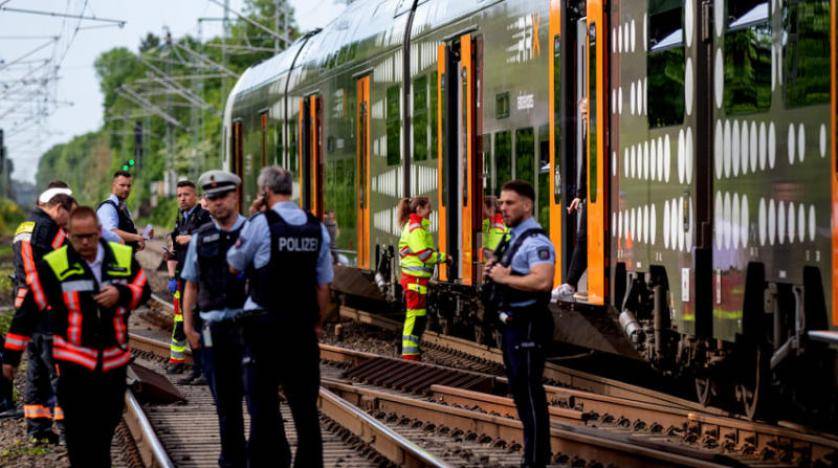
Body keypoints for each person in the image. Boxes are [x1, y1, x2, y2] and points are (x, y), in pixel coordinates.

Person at [227, 165, 332, 467]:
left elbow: (234, 264)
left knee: (263, 406)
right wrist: (317, 322)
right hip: (301, 329)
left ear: (266, 191)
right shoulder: (316, 227)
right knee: (305, 409)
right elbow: (324, 286)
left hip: (264, 330)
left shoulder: (260, 223)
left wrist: (253, 215)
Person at [38, 206, 150, 467]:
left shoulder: (120, 256)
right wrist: (13, 355)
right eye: (79, 237)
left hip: (111, 366)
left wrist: (121, 294)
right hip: (74, 367)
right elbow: (33, 308)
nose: (86, 242)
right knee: (79, 440)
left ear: (99, 232)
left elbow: (143, 290)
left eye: (91, 235)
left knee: (101, 440)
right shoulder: (56, 263)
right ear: (68, 234)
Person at [485, 180, 555, 467]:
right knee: (520, 389)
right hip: (513, 325)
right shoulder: (513, 238)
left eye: (509, 203)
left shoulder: (536, 241)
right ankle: (533, 456)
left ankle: (536, 459)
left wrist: (505, 278)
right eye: (501, 202)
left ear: (527, 205)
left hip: (528, 324)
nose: (503, 208)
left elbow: (543, 280)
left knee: (529, 391)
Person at [180, 170, 248, 467]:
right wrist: (188, 326)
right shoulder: (201, 237)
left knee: (259, 401)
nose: (218, 202)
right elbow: (191, 285)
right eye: (212, 197)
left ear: (235, 196)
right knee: (226, 403)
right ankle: (232, 460)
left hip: (249, 328)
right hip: (214, 329)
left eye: (223, 196)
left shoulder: (253, 232)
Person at [2, 186, 75, 443]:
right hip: (47, 307)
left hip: (25, 305)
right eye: (68, 215)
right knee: (61, 370)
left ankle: (37, 427)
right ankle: (69, 430)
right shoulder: (51, 231)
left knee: (36, 368)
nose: (68, 222)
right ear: (59, 208)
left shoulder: (24, 226)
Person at [165, 180, 211, 381]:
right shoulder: (182, 219)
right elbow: (175, 251)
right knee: (188, 323)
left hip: (201, 279)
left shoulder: (204, 217)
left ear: (195, 196)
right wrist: (172, 274)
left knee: (201, 324)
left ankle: (206, 370)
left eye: (186, 194)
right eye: (179, 195)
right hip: (185, 278)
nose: (182, 198)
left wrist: (191, 239)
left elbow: (212, 238)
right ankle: (198, 369)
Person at [396, 196, 449, 361]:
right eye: (428, 208)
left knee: (417, 317)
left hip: (416, 281)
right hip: (415, 281)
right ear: (419, 209)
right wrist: (445, 258)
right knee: (415, 318)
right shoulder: (416, 229)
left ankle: (412, 353)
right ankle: (409, 355)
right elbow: (424, 255)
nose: (431, 211)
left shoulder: (415, 227)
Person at [554, 98, 589, 302]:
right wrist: (580, 195)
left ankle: (570, 284)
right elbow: (586, 167)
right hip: (591, 195)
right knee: (583, 237)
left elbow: (587, 166)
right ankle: (570, 284)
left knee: (583, 237)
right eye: (582, 114)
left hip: (597, 195)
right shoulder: (591, 132)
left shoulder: (594, 132)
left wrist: (581, 194)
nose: (584, 118)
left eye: (586, 113)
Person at [97, 170, 148, 251]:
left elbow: (126, 232)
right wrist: (136, 237)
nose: (126, 189)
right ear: (113, 185)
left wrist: (138, 241)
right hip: (111, 257)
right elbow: (110, 232)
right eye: (122, 185)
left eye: (129, 186)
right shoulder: (107, 208)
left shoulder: (123, 207)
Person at [482, 195, 507, 263]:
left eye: (482, 207)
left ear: (491, 209)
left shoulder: (497, 223)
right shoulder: (487, 221)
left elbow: (492, 253)